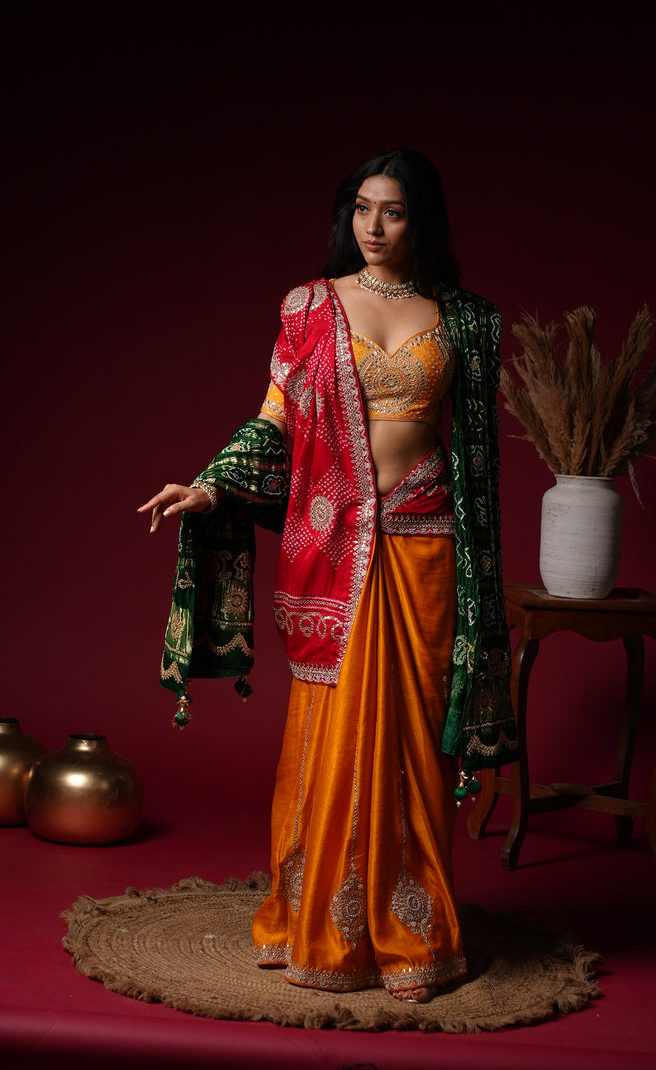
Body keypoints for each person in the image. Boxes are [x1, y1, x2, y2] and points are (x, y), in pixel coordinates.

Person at [138, 149, 518, 1003]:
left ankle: (411, 936)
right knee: (330, 738)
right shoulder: (309, 306)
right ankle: (319, 927)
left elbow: (478, 460)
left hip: (426, 544)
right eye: (360, 209)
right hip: (335, 548)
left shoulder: (466, 322)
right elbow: (275, 413)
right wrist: (211, 484)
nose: (373, 229)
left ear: (423, 221)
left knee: (414, 746)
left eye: (392, 213)